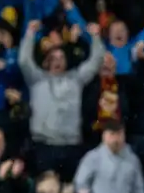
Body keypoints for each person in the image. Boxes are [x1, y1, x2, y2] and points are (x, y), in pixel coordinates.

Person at [20, 21, 107, 180]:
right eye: (53, 58)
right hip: (43, 146)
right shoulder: (36, 79)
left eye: (61, 57)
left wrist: (95, 37)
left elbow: (96, 61)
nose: (57, 61)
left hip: (71, 146)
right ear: (46, 61)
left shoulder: (76, 79)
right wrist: (29, 35)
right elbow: (24, 61)